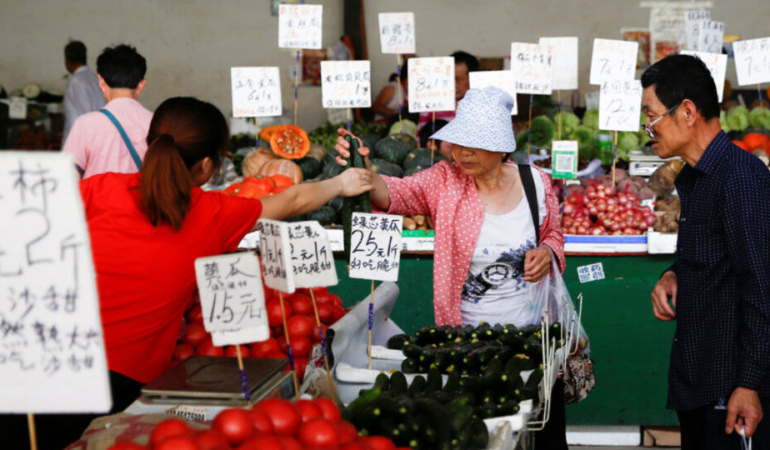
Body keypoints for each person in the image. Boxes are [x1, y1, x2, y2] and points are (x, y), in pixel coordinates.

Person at [3, 97, 373, 450]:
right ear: (208, 167)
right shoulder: (211, 213)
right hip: (112, 386)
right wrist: (342, 184)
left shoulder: (97, 189)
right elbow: (290, 200)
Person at [336, 87, 567, 449]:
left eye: (476, 142)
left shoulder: (535, 181)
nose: (463, 152)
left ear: (503, 145)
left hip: (533, 333)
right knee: (486, 429)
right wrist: (364, 172)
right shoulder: (444, 180)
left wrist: (547, 252)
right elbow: (394, 194)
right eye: (459, 142)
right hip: (467, 344)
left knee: (543, 428)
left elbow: (554, 233)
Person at [646, 55, 770, 449]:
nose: (647, 128)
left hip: (729, 389)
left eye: (650, 115)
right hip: (698, 378)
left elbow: (762, 287)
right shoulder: (696, 177)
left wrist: (748, 384)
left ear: (686, 112)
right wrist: (673, 272)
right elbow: (714, 252)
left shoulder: (742, 180)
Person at [62, 44, 153, 179]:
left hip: (96, 200)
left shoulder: (84, 124)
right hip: (139, 200)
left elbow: (68, 178)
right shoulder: (155, 122)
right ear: (141, 84)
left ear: (101, 82)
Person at [416, 50, 479, 133]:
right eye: (449, 78)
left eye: (459, 79)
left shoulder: (481, 108)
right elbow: (421, 140)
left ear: (473, 79)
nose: (454, 84)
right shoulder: (431, 106)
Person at [63, 40, 104, 143]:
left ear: (67, 61)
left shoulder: (77, 81)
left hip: (81, 141)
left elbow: (87, 114)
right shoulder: (94, 78)